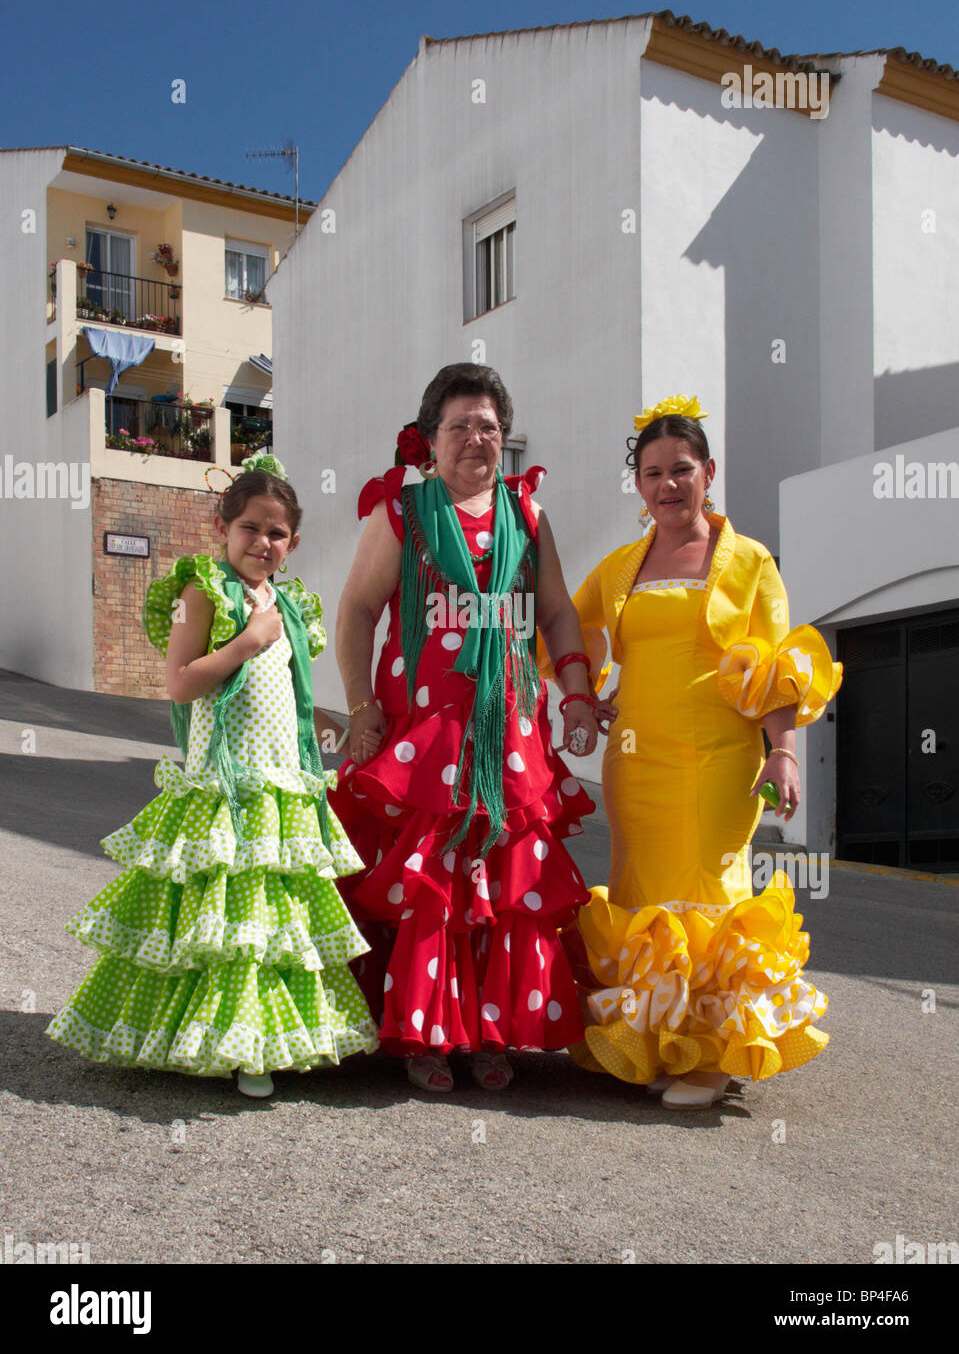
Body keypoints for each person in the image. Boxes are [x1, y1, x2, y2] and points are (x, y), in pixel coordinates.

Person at [46, 452, 379, 1098]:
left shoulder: (288, 603)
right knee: (210, 928)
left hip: (277, 788)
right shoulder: (204, 588)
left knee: (261, 931)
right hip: (222, 788)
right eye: (250, 527)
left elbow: (292, 699)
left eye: (276, 533)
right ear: (221, 527)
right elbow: (179, 683)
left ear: (294, 542)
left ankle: (253, 1040)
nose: (262, 542)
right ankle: (205, 1039)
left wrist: (336, 738)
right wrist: (247, 642)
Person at [563, 396, 842, 1110]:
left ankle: (713, 1060)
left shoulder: (747, 561)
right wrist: (584, 696)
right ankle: (657, 1043)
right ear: (638, 485)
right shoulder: (620, 565)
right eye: (652, 473)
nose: (667, 485)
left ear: (707, 472)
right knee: (641, 889)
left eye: (680, 469)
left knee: (710, 885)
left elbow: (776, 662)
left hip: (718, 753)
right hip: (635, 756)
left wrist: (781, 752)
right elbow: (570, 625)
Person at [331, 363, 599, 1091]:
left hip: (505, 735)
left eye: (488, 426)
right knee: (426, 884)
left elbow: (556, 613)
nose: (475, 438)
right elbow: (356, 609)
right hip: (422, 736)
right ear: (429, 440)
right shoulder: (402, 513)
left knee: (503, 887)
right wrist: (361, 706)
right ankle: (420, 1035)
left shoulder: (527, 517)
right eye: (459, 426)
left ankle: (490, 1033)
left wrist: (575, 693)